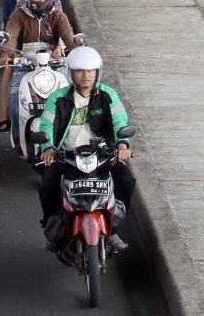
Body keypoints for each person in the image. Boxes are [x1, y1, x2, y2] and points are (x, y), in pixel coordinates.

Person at [36, 46, 134, 253]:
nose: (86, 75)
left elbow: (119, 121)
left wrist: (122, 144)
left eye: (90, 70)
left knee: (125, 180)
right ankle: (53, 229)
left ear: (98, 72)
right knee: (49, 185)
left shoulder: (108, 95)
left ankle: (113, 226)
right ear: (71, 72)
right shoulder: (57, 98)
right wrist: (48, 148)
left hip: (102, 156)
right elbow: (47, 125)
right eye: (80, 70)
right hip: (67, 157)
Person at [0, 0, 77, 133]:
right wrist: (6, 53)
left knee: (70, 93)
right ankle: (6, 118)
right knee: (14, 90)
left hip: (54, 62)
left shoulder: (58, 15)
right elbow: (11, 35)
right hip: (24, 62)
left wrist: (76, 51)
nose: (41, 0)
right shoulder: (18, 15)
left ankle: (73, 129)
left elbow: (70, 39)